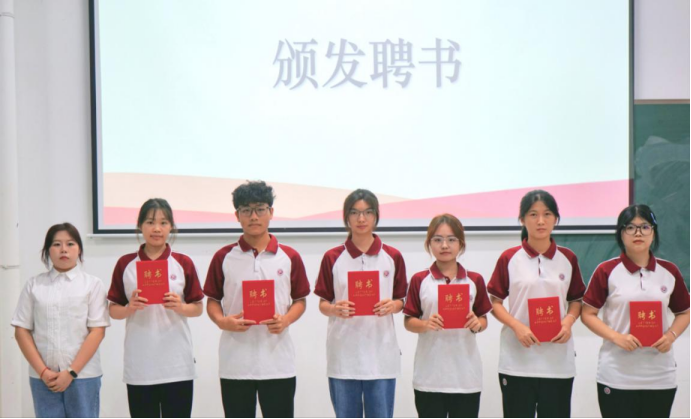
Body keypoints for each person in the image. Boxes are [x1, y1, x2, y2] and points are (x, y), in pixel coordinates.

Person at [204, 181, 311, 418]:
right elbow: (212, 300)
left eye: (260, 209)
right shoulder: (223, 256)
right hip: (235, 363)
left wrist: (286, 320)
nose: (254, 216)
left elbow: (300, 300)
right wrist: (222, 321)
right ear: (237, 215)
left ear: (271, 212)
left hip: (278, 362)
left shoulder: (289, 256)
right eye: (246, 210)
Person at [581, 204, 690, 419]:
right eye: (630, 227)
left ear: (653, 232)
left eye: (645, 227)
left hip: (660, 375)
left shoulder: (669, 271)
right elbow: (587, 314)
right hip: (616, 374)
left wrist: (671, 336)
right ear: (621, 233)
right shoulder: (606, 270)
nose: (638, 233)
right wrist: (616, 337)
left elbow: (685, 312)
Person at [487, 190, 585, 418]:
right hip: (517, 360)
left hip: (557, 362)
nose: (540, 221)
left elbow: (576, 300)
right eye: (533, 214)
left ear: (556, 219)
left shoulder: (568, 258)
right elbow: (495, 302)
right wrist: (517, 326)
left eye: (547, 214)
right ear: (522, 219)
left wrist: (568, 322)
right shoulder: (509, 258)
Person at [314, 189, 408, 418]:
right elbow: (323, 303)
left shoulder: (393, 256)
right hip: (344, 355)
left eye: (367, 212)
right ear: (347, 217)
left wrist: (393, 306)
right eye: (355, 212)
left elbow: (401, 300)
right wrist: (334, 309)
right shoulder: (332, 257)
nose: (361, 218)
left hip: (381, 354)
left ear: (376, 216)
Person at [108, 198, 205, 418]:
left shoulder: (183, 262)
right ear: (140, 226)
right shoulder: (126, 264)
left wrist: (180, 306)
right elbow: (113, 310)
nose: (157, 229)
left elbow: (198, 308)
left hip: (177, 365)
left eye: (163, 222)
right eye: (150, 222)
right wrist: (129, 308)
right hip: (140, 365)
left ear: (171, 227)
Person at [12, 223, 110, 418]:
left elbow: (97, 331)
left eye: (70, 244)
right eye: (56, 244)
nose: (63, 249)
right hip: (43, 378)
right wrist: (43, 372)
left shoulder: (92, 285)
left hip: (83, 376)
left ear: (79, 249)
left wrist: (71, 372)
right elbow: (21, 331)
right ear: (48, 250)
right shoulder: (34, 285)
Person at [404, 214, 492, 418]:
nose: (445, 245)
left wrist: (477, 324)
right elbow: (408, 321)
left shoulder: (474, 279)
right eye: (438, 240)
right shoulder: (420, 279)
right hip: (429, 376)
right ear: (429, 244)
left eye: (451, 239)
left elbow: (483, 319)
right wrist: (426, 324)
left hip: (466, 376)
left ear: (461, 244)